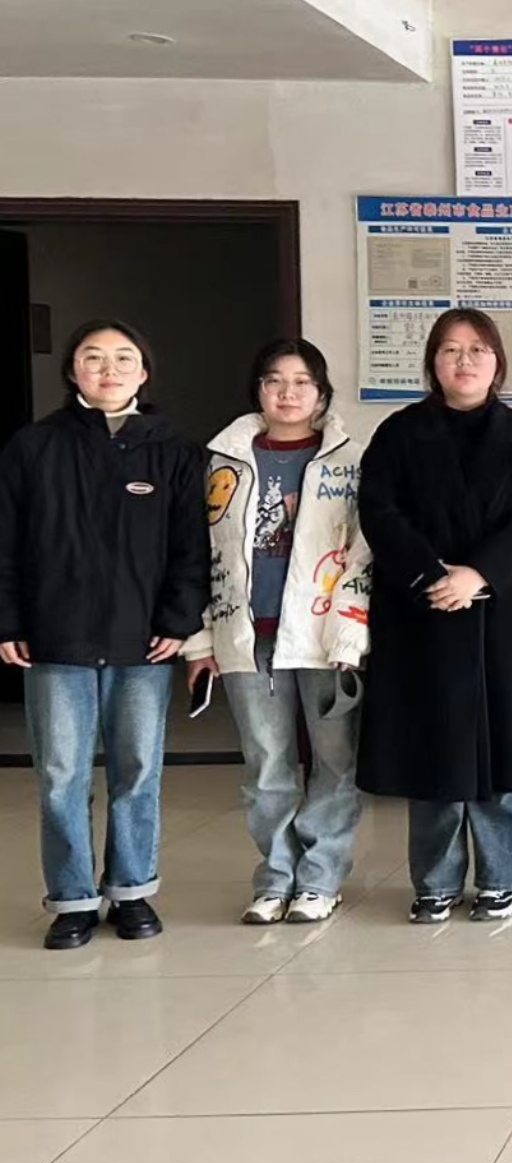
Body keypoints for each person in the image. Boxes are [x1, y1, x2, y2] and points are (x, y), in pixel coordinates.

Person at [0, 320, 207, 950]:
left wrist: (178, 621)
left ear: (144, 372)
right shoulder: (34, 447)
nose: (108, 369)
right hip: (55, 636)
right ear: (72, 371)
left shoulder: (173, 451)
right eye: (93, 358)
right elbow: (6, 542)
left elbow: (192, 548)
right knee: (61, 773)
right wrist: (9, 620)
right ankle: (72, 900)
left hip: (142, 641)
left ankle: (132, 891)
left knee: (136, 771)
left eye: (123, 358)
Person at [357, 308, 512, 924]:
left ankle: (503, 877)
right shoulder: (398, 434)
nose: (464, 361)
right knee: (433, 751)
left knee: (507, 752)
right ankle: (435, 880)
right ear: (432, 363)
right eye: (450, 350)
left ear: (497, 363)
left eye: (477, 350)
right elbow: (380, 513)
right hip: (423, 611)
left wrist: (479, 574)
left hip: (504, 613)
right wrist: (432, 575)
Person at [184, 339, 371, 925]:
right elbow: (198, 551)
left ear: (321, 393)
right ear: (258, 390)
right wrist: (199, 642)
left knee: (335, 760)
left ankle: (320, 878)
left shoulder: (350, 460)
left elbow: (364, 552)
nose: (287, 393)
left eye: (301, 382)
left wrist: (351, 636)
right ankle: (276, 877)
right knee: (266, 763)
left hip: (323, 635)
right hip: (247, 633)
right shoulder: (224, 460)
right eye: (274, 381)